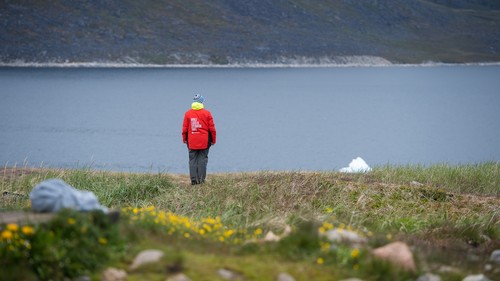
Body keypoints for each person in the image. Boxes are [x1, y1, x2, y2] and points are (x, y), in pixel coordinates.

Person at [182, 94, 217, 185]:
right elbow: (212, 129)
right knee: (202, 159)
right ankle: (201, 180)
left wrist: (184, 139)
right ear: (201, 102)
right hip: (204, 141)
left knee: (192, 159)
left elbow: (185, 129)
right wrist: (213, 140)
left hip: (192, 140)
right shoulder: (207, 113)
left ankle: (193, 180)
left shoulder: (188, 113)